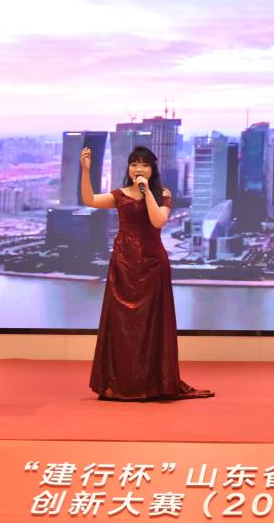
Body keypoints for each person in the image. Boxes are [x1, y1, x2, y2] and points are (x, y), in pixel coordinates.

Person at [80, 146, 212, 401]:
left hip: (152, 265)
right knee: (122, 325)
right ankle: (120, 383)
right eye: (134, 164)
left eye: (144, 165)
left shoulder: (163, 194)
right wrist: (86, 172)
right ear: (128, 168)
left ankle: (153, 383)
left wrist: (146, 192)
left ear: (152, 169)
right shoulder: (119, 195)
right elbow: (90, 200)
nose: (138, 169)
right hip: (123, 264)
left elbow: (157, 221)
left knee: (152, 325)